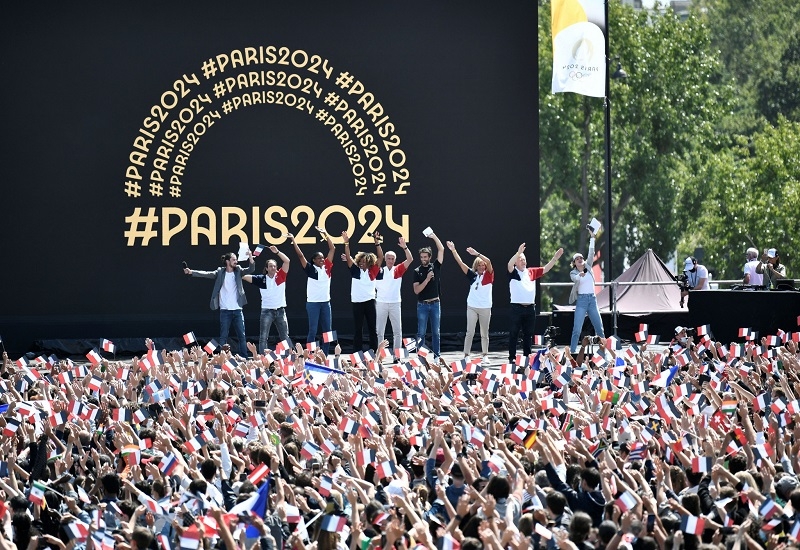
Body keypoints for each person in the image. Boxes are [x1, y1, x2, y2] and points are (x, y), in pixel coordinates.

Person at [184, 248, 254, 357]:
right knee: (223, 336)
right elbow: (206, 274)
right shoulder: (220, 272)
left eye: (236, 260)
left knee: (242, 335)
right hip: (225, 310)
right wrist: (191, 272)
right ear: (227, 261)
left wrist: (250, 257)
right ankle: (222, 358)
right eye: (234, 260)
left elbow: (251, 269)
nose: (236, 261)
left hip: (237, 309)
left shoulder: (238, 270)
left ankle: (244, 356)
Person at [507, 243, 563, 362]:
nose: (523, 261)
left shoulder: (531, 272)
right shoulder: (513, 272)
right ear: (516, 262)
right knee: (514, 333)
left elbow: (545, 269)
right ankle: (512, 357)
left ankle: (527, 357)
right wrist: (518, 253)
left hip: (530, 308)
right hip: (516, 308)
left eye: (524, 259)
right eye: (520, 259)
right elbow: (509, 264)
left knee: (528, 334)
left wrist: (555, 258)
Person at [290, 228, 335, 354]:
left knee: (328, 331)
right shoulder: (310, 269)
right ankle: (310, 354)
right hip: (313, 304)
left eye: (322, 258)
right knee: (313, 330)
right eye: (319, 258)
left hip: (326, 303)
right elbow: (300, 255)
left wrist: (325, 234)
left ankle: (325, 354)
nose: (322, 260)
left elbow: (332, 249)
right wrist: (293, 240)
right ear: (314, 260)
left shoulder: (327, 267)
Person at [446, 241, 493, 362]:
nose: (482, 267)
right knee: (470, 332)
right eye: (479, 265)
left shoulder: (489, 275)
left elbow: (488, 261)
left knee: (484, 333)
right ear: (476, 266)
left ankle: (485, 355)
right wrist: (453, 250)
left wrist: (477, 254)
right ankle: (467, 355)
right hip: (472, 306)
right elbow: (460, 263)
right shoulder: (472, 275)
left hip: (485, 307)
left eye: (483, 265)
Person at [243, 246, 292, 354]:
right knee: (263, 337)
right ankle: (263, 359)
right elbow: (244, 276)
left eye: (274, 266)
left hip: (280, 311)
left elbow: (287, 261)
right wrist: (247, 260)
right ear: (266, 268)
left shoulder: (281, 276)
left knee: (285, 336)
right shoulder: (261, 279)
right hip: (267, 311)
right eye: (270, 266)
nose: (273, 268)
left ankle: (288, 358)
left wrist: (277, 252)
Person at [342, 231, 382, 352]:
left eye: (364, 261)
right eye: (360, 261)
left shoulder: (372, 271)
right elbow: (348, 256)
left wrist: (377, 242)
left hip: (370, 302)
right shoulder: (355, 271)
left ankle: (373, 352)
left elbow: (380, 257)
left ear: (369, 262)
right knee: (358, 329)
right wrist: (346, 243)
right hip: (357, 303)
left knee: (372, 329)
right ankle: (357, 353)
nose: (361, 263)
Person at [375, 235, 413, 355]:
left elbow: (410, 259)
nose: (390, 260)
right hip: (381, 303)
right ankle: (379, 356)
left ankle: (397, 356)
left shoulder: (398, 269)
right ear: (385, 259)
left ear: (395, 260)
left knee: (397, 331)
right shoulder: (379, 271)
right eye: (388, 258)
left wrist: (405, 247)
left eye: (392, 259)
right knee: (379, 332)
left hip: (395, 303)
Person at [569, 230, 604, 353]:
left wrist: (592, 237)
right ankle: (572, 352)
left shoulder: (588, 266)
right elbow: (575, 278)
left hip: (592, 300)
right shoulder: (573, 272)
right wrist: (580, 275)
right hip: (582, 301)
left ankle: (603, 352)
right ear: (574, 263)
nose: (580, 259)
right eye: (577, 259)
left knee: (599, 328)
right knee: (577, 329)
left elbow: (591, 252)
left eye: (581, 258)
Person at [413, 230, 445, 359]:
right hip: (422, 305)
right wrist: (426, 279)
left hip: (435, 304)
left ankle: (437, 356)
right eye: (421, 257)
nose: (423, 259)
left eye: (425, 257)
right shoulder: (417, 271)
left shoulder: (435, 266)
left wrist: (434, 236)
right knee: (421, 333)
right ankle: (421, 358)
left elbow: (441, 249)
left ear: (429, 257)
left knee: (436, 332)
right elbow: (416, 290)